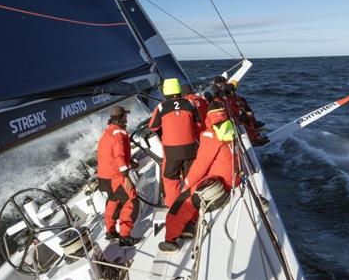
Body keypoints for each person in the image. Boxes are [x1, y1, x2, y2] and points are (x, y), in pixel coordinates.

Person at [159, 102, 241, 253]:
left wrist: (186, 185)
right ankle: (189, 225)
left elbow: (200, 166)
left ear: (208, 117)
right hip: (232, 181)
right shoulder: (230, 129)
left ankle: (170, 241)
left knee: (181, 202)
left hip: (219, 185)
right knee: (193, 192)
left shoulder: (211, 135)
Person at [148, 78, 202, 207]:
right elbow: (199, 123)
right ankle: (194, 203)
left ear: (165, 92)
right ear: (178, 90)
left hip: (171, 151)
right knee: (191, 176)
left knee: (170, 178)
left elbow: (153, 126)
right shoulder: (190, 103)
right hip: (190, 148)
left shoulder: (161, 107)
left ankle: (174, 208)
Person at [96, 105, 141, 247]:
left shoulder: (107, 132)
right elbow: (119, 156)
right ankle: (125, 236)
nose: (127, 117)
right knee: (131, 200)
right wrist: (126, 176)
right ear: (122, 118)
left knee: (113, 200)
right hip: (116, 176)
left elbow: (111, 154)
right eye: (125, 116)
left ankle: (110, 231)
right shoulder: (119, 133)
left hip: (104, 177)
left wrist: (131, 163)